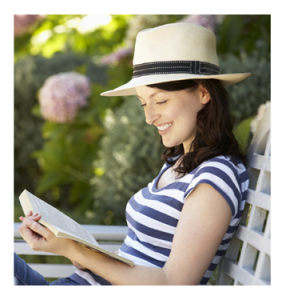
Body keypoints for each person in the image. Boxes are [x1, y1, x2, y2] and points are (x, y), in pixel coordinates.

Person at [14, 22, 251, 285]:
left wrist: (72, 249)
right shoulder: (181, 163)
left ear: (203, 92)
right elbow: (140, 256)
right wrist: (80, 251)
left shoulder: (215, 176)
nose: (149, 117)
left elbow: (173, 285)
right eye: (143, 103)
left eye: (160, 101)